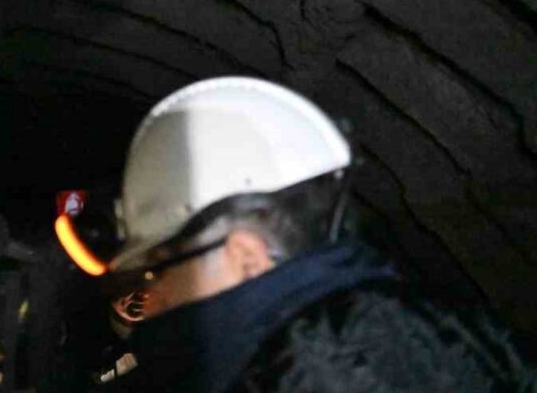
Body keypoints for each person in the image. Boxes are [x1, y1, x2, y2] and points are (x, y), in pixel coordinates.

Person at [102, 76, 534, 392]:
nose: (155, 295)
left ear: (246, 258)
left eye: (162, 269)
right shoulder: (366, 341)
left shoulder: (335, 367)